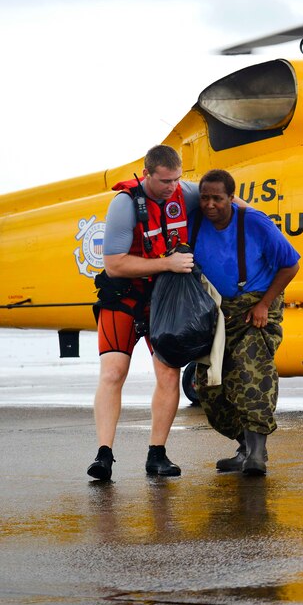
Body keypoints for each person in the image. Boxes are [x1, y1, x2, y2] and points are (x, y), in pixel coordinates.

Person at [87, 145, 200, 480]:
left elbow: (221, 195)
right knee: (113, 372)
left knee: (168, 375)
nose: (171, 187)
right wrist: (167, 263)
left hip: (163, 301)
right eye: (165, 181)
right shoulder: (124, 204)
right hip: (123, 296)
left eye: (176, 180)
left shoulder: (185, 192)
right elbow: (115, 264)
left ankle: (157, 455)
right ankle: (104, 455)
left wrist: (253, 215)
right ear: (148, 174)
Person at [190, 170, 300, 476]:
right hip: (215, 312)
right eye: (205, 198)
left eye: (218, 198)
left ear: (231, 198)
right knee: (209, 390)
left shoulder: (254, 222)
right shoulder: (195, 223)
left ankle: (255, 455)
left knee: (252, 372)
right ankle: (245, 446)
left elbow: (291, 265)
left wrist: (265, 304)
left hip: (255, 307)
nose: (210, 204)